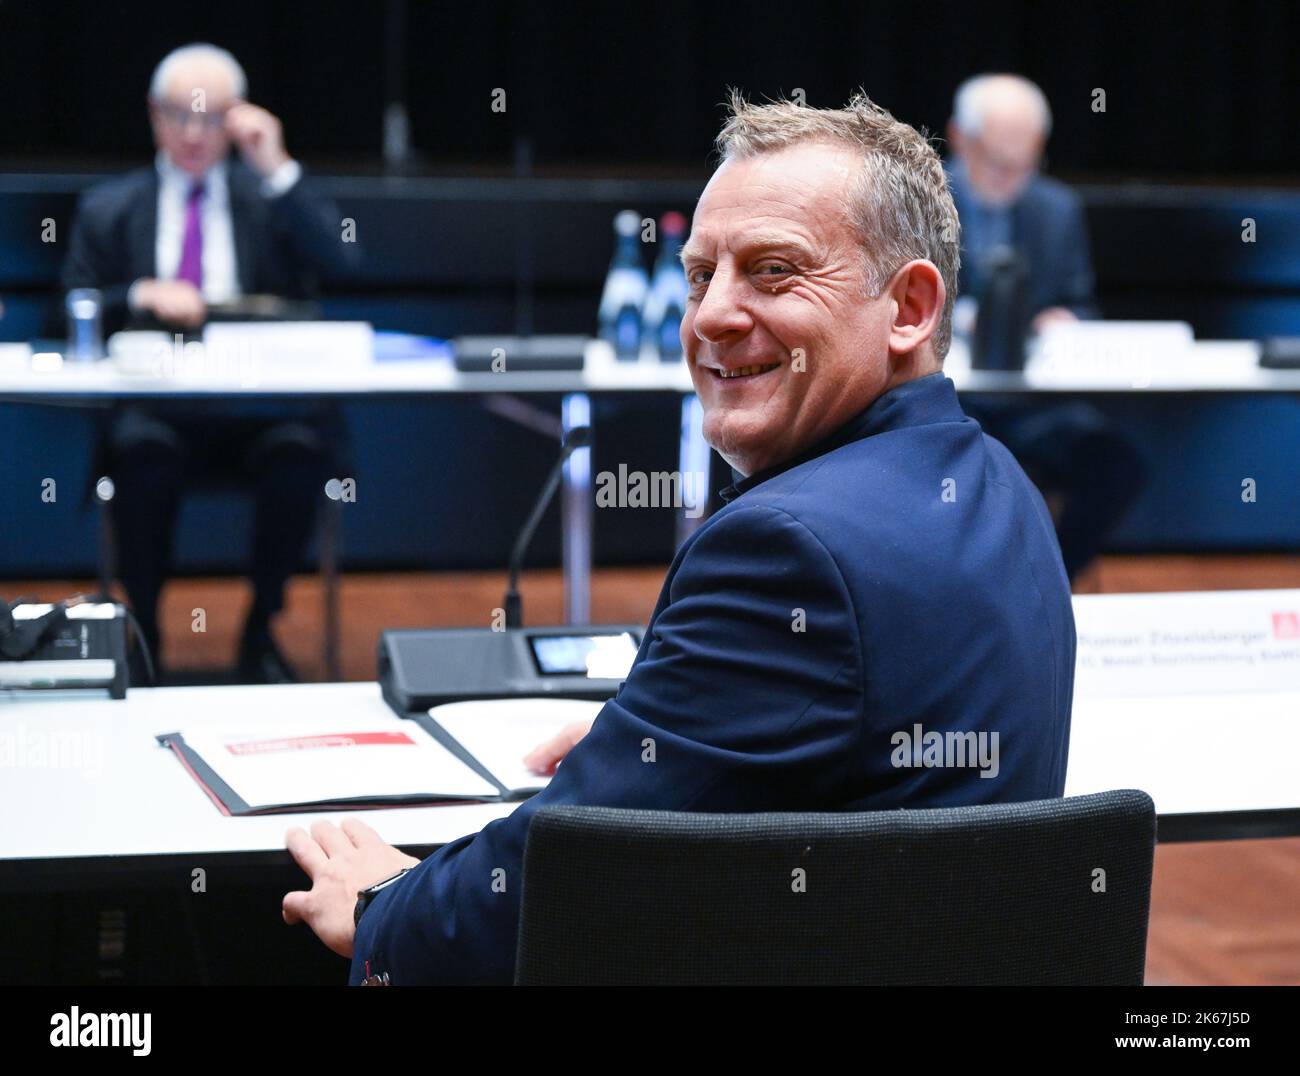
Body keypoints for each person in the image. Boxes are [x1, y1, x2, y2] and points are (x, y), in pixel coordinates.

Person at [282, 92, 1076, 985]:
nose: (711, 319)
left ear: (908, 307)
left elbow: (570, 877)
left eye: (774, 272)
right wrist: (669, 737)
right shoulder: (1002, 484)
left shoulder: (788, 550)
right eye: (701, 276)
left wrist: (383, 907)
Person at [62, 43, 356, 681]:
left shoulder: (268, 201)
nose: (194, 132)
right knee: (138, 455)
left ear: (238, 117)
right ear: (153, 115)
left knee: (301, 451)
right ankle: (143, 635)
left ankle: (260, 629)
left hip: (258, 409)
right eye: (179, 114)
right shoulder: (109, 208)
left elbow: (343, 262)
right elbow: (72, 308)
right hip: (159, 410)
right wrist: (139, 293)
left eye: (211, 116)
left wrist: (276, 166)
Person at [946, 73, 1144, 580]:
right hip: (949, 404)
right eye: (999, 162)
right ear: (959, 139)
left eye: (1027, 161)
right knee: (952, 475)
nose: (1013, 177)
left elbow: (1081, 302)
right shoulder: (918, 202)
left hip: (1037, 405)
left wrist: (1067, 321)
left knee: (1116, 465)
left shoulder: (1056, 209)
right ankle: (971, 591)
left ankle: (1043, 578)